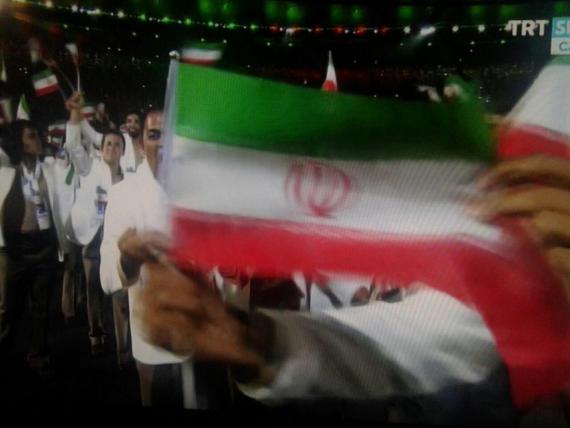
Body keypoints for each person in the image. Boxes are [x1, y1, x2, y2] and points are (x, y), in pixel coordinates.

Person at [100, 110, 189, 406]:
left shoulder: (196, 192)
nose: (163, 143)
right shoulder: (124, 194)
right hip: (151, 330)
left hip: (196, 327)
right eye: (154, 135)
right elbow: (107, 275)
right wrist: (129, 259)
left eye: (170, 135)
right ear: (141, 145)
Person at [0, 119, 73, 376]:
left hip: (45, 245)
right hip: (16, 248)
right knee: (8, 306)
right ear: (19, 143)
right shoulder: (6, 170)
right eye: (31, 136)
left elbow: (72, 155)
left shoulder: (50, 168)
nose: (39, 139)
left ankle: (38, 355)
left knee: (41, 306)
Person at [66, 92, 125, 355]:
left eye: (117, 144)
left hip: (116, 240)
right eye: (108, 144)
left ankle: (123, 344)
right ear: (101, 149)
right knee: (92, 288)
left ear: (123, 150)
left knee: (119, 289)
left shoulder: (128, 178)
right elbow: (73, 145)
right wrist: (74, 115)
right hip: (93, 237)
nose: (111, 148)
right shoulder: (90, 169)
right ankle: (96, 334)